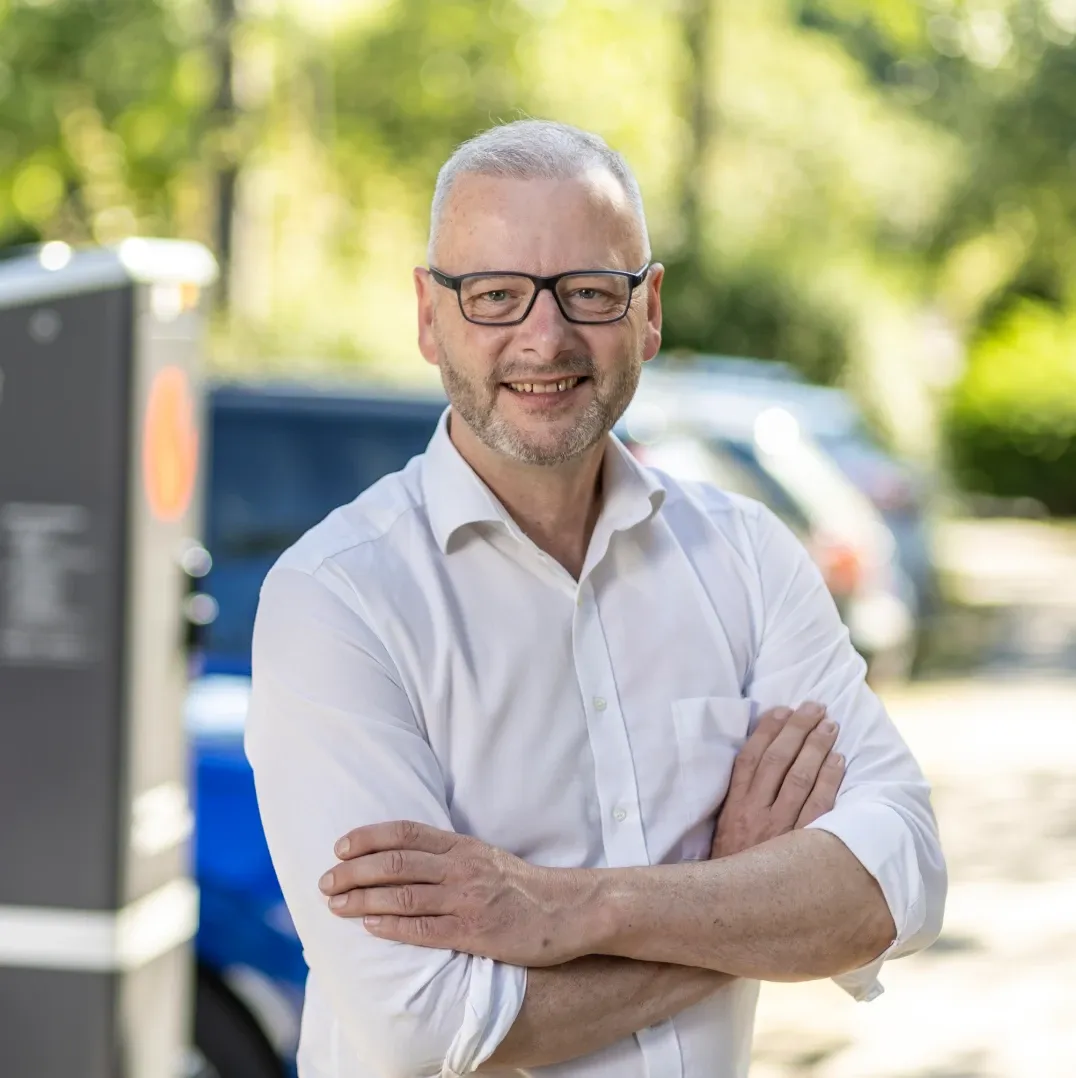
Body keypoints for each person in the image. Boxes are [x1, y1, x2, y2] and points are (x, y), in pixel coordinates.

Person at [245, 119, 946, 1078]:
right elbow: (428, 1027)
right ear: (428, 315)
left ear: (648, 308)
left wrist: (584, 906)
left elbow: (896, 883)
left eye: (589, 291)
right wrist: (726, 896)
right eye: (495, 295)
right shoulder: (339, 601)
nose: (545, 336)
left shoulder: (746, 558)